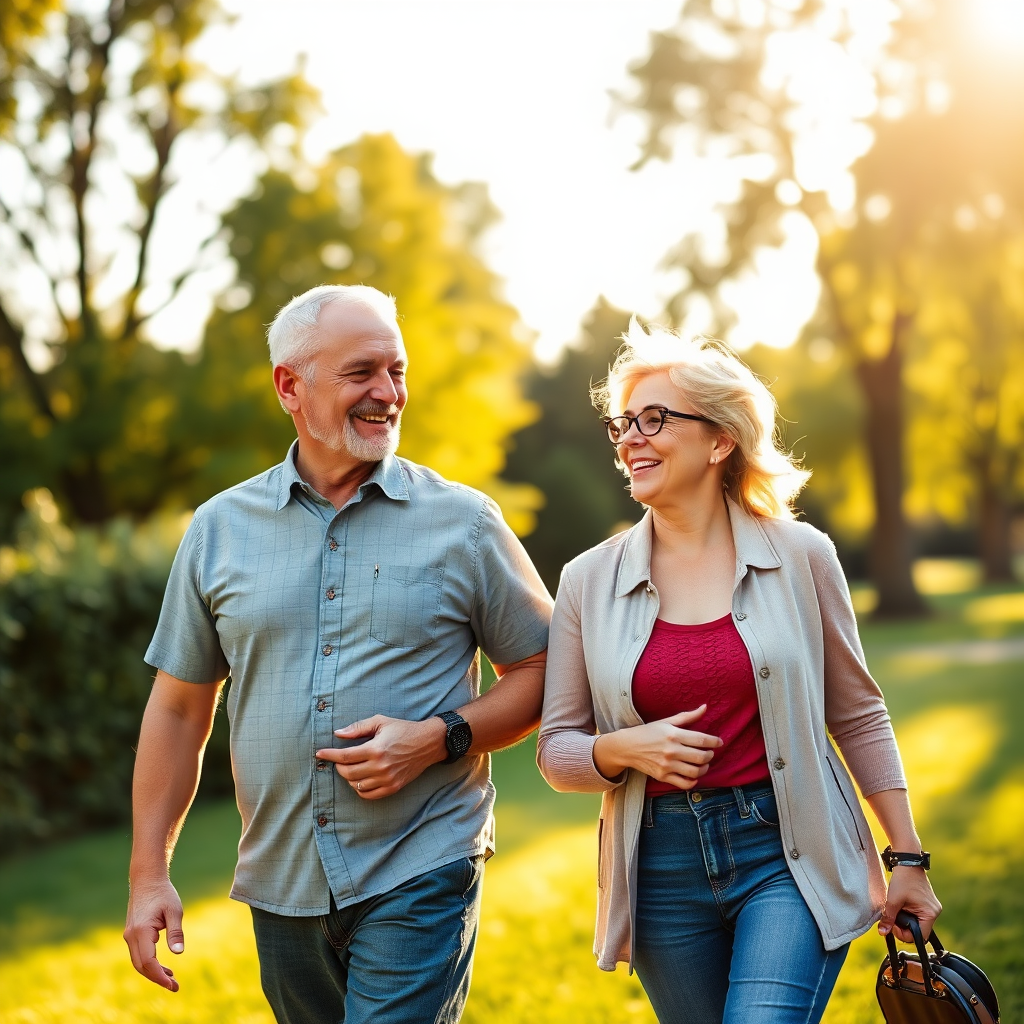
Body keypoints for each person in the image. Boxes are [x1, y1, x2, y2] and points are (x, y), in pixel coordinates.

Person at [123, 284, 552, 1024]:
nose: (389, 392)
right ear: (291, 385)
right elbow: (178, 708)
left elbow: (546, 672)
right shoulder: (219, 529)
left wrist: (437, 738)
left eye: (398, 370)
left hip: (423, 862)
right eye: (363, 372)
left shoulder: (465, 523)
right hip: (280, 880)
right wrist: (147, 875)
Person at [537, 320, 941, 1024]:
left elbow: (857, 713)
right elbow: (555, 751)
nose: (631, 437)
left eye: (655, 418)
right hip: (660, 868)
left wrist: (908, 857)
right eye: (622, 423)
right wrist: (620, 749)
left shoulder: (801, 555)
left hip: (787, 851)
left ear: (720, 440)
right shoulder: (585, 581)